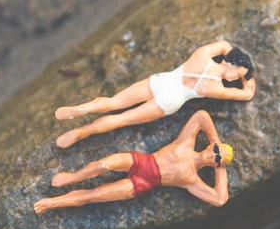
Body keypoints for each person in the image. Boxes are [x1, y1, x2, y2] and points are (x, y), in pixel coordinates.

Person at [53, 40, 255, 149]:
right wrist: (248, 77)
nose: (237, 76)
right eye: (239, 72)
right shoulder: (215, 89)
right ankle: (81, 133)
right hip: (170, 101)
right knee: (121, 120)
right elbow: (247, 94)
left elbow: (224, 45)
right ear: (234, 65)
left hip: (161, 81)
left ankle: (83, 108)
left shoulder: (202, 54)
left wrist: (236, 58)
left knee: (113, 102)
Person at [33, 110, 232, 214]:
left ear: (215, 164)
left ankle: (52, 203)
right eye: (215, 150)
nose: (213, 154)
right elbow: (201, 115)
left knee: (96, 194)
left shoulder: (192, 180)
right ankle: (72, 177)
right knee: (104, 164)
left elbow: (220, 199)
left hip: (143, 184)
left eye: (216, 159)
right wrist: (216, 140)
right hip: (141, 161)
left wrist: (221, 169)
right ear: (209, 145)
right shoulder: (186, 142)